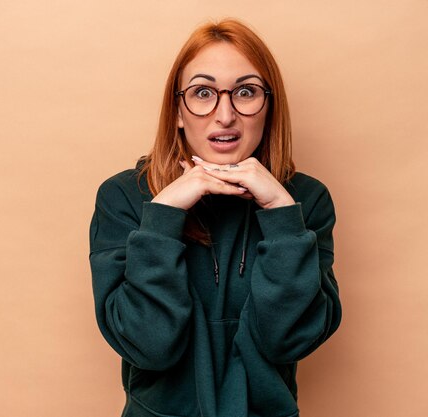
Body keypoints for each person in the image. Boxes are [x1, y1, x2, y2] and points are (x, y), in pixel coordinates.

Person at [89, 18, 342, 417]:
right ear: (177, 111)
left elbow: (288, 342)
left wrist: (281, 215)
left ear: (268, 107)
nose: (225, 115)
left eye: (245, 92)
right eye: (203, 92)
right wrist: (163, 216)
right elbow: (149, 346)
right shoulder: (123, 197)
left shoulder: (305, 202)